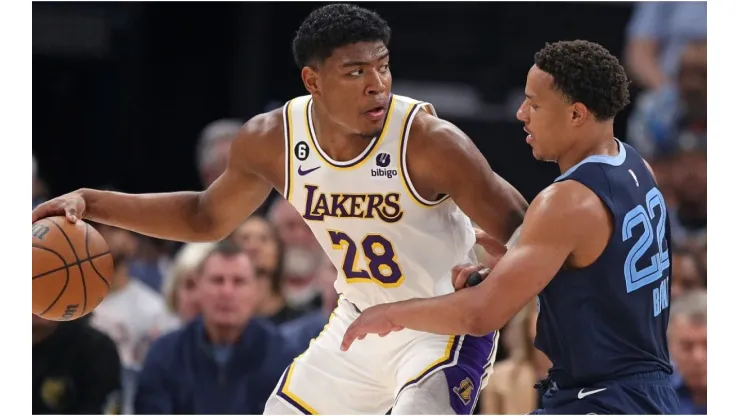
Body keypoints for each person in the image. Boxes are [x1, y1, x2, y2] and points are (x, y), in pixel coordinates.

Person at [31, 3, 528, 414]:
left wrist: (498, 273)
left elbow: (526, 229)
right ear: (313, 81)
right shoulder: (274, 140)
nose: (377, 83)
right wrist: (93, 203)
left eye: (383, 65)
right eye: (355, 72)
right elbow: (204, 218)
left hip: (439, 328)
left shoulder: (428, 140)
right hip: (358, 323)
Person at [342, 40, 680, 415]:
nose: (522, 114)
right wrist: (540, 271)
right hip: (646, 393)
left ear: (576, 114)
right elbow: (611, 278)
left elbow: (481, 314)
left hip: (603, 398)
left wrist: (391, 313)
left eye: (535, 104)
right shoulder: (636, 167)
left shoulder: (568, 200)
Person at [135, 241, 297, 414]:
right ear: (199, 287)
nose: (227, 292)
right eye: (217, 280)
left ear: (255, 291)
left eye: (239, 282)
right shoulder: (165, 353)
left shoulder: (284, 357)